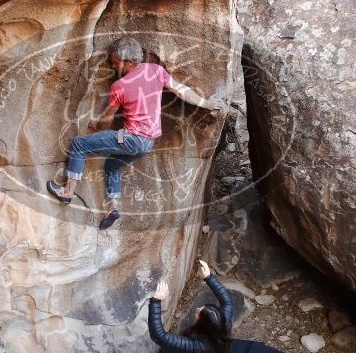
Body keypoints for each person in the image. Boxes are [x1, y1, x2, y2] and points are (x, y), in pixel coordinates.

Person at [46, 36, 226, 230]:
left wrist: (96, 125)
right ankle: (113, 207)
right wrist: (207, 104)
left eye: (116, 62)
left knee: (79, 145)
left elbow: (107, 118)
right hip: (147, 144)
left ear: (129, 62)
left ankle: (67, 191)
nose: (114, 66)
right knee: (112, 166)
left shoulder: (119, 86)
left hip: (131, 139)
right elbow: (182, 91)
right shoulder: (156, 71)